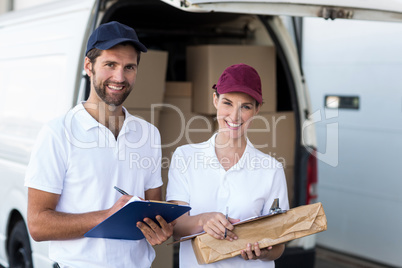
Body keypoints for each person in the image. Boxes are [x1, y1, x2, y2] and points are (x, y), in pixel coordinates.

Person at [25, 21, 173, 268]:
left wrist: (158, 229)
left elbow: (152, 209)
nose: (120, 77)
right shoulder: (58, 133)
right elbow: (38, 225)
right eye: (110, 65)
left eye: (129, 67)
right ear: (88, 66)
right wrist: (106, 216)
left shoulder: (148, 134)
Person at [166, 63, 289, 267]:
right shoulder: (185, 157)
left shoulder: (271, 169)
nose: (234, 116)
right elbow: (175, 227)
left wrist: (261, 253)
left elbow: (278, 246)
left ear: (257, 109)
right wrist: (203, 220)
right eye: (228, 103)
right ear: (215, 100)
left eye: (246, 107)